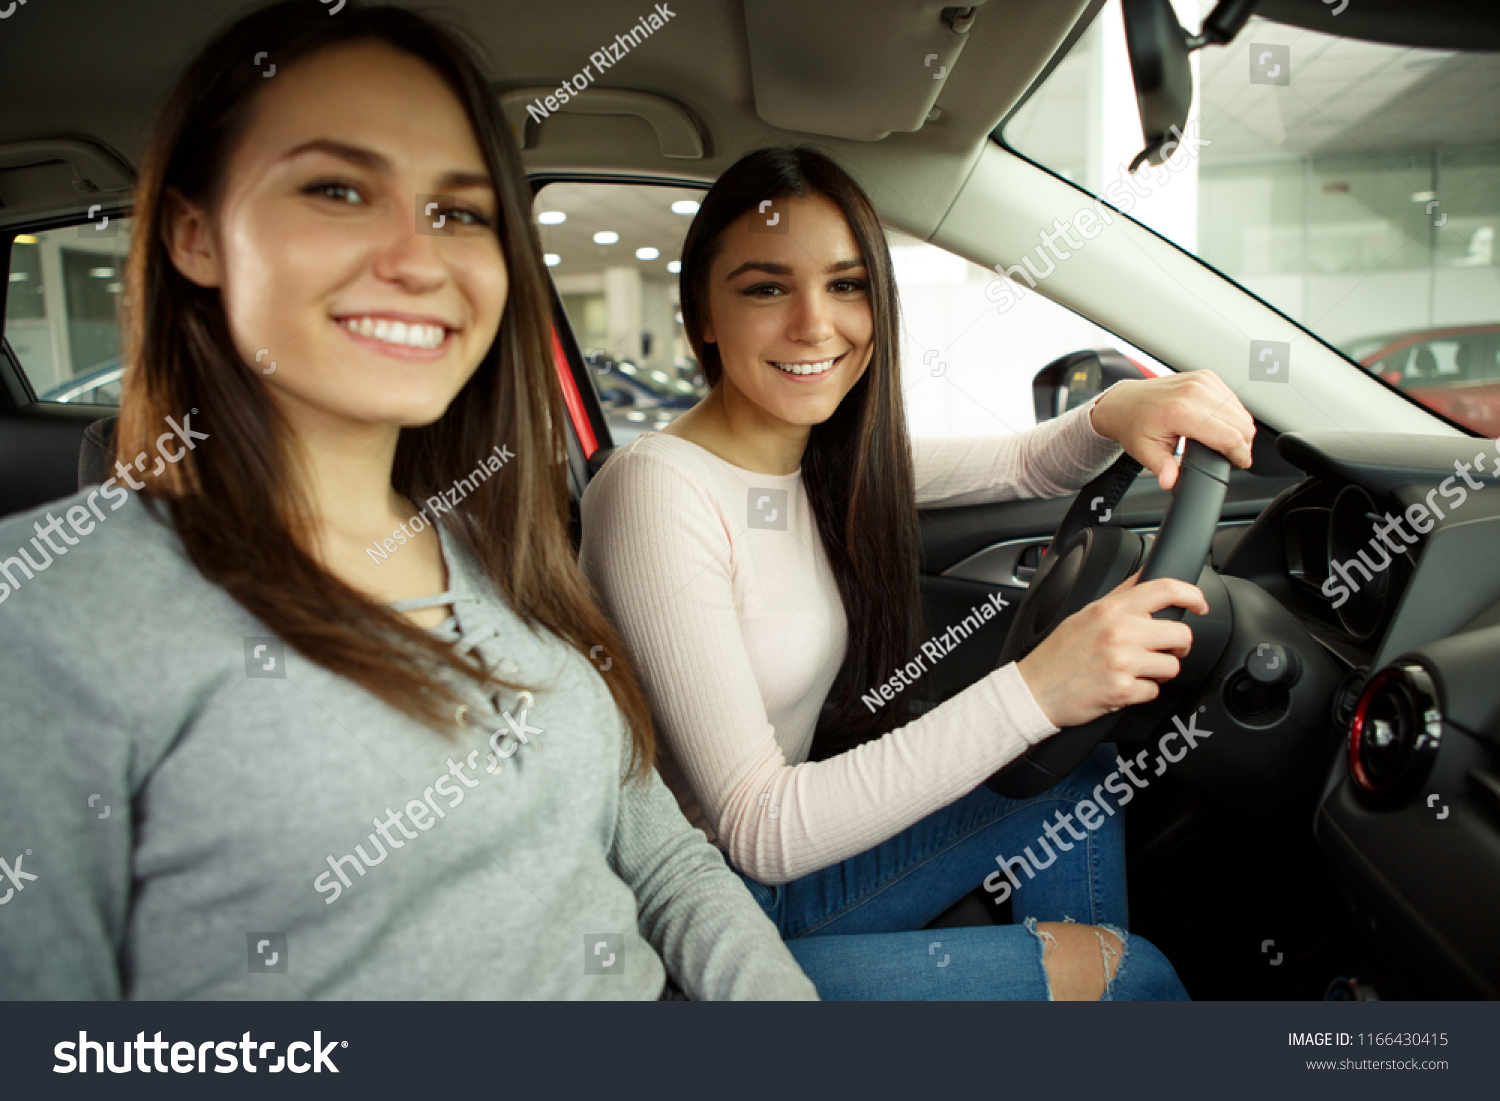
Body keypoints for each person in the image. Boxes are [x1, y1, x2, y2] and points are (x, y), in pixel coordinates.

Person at [0, 3, 816, 1001]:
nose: (418, 260)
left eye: (459, 213)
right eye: (338, 190)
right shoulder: (46, 618)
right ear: (194, 235)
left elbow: (671, 866)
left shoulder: (500, 553)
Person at [580, 147, 1256, 1000]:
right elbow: (756, 825)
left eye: (847, 285)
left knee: (1073, 777)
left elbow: (1024, 463)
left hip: (766, 888)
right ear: (702, 317)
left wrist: (1117, 406)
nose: (814, 325)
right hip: (687, 934)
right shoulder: (656, 491)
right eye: (764, 288)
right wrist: (1041, 686)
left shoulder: (818, 460)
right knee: (1136, 978)